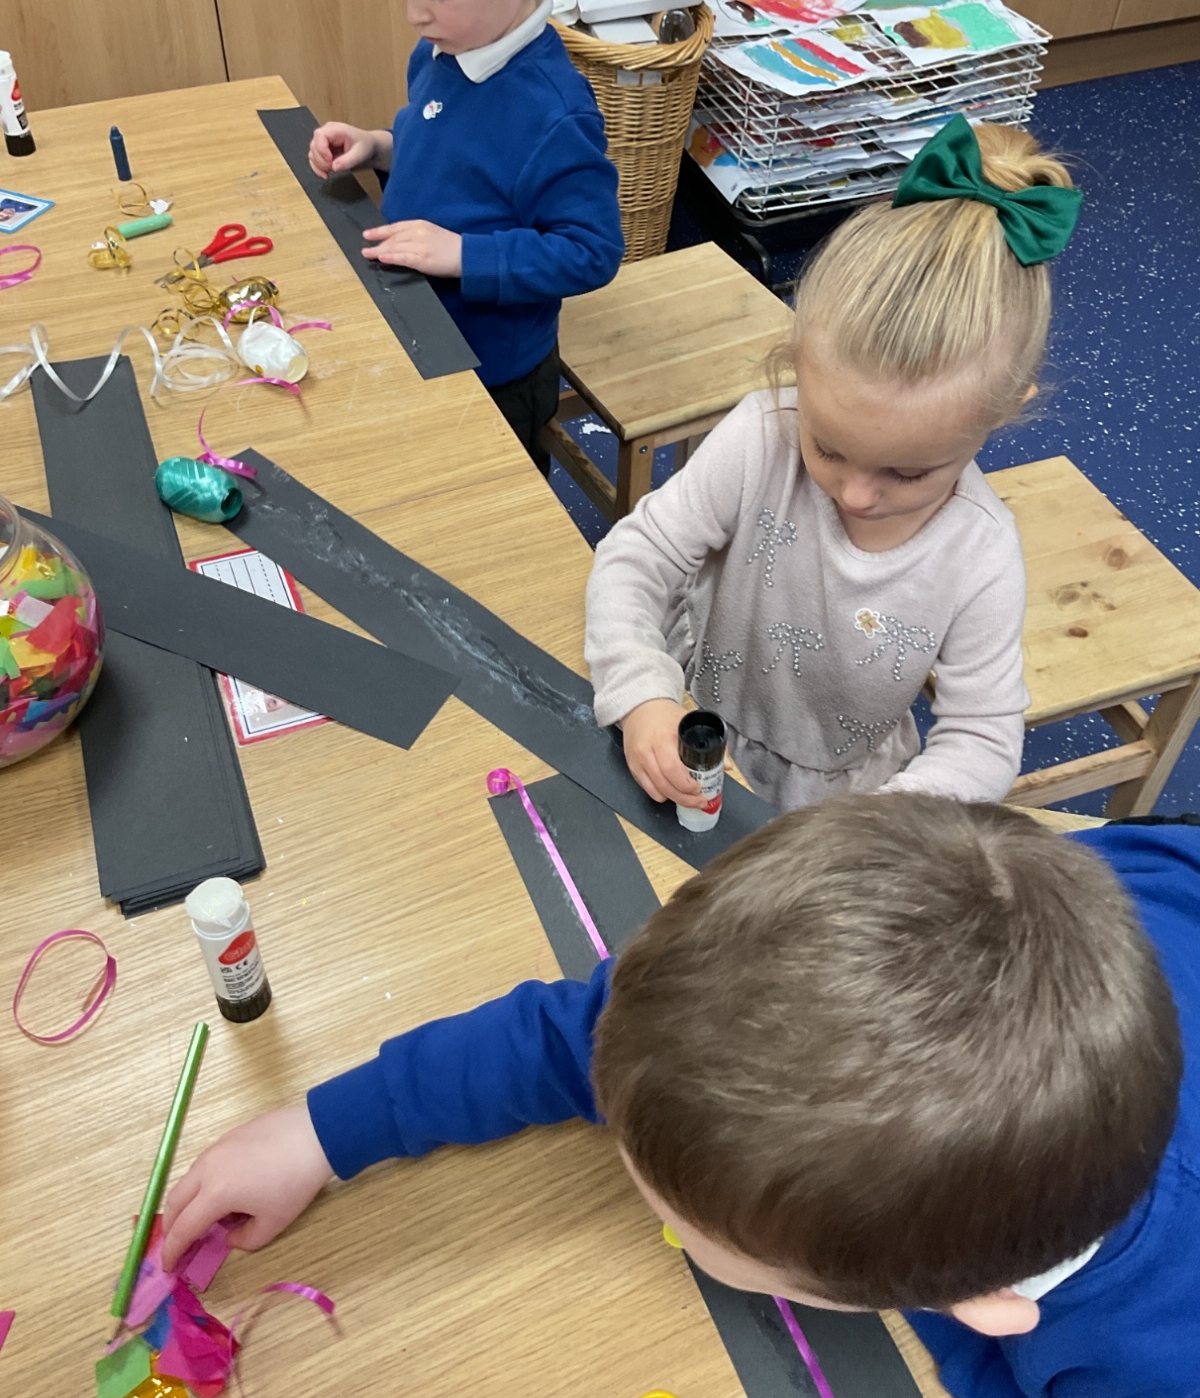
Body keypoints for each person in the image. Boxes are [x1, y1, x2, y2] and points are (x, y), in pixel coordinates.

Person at [158, 796, 1200, 1397]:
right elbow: (573, 1036)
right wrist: (323, 1130)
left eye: (686, 1225)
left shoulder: (1145, 1358)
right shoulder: (992, 909)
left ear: (987, 1303)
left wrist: (964, 1345)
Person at [585, 115, 1084, 811]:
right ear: (797, 364)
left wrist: (875, 826)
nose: (855, 496)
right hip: (696, 714)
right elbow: (638, 557)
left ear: (1001, 413)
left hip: (842, 796)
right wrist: (641, 692)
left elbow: (983, 738)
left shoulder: (981, 554)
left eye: (908, 473)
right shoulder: (762, 436)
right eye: (826, 447)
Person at [307, 0, 624, 472]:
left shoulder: (554, 114)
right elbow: (453, 154)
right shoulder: (446, 50)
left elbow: (591, 251)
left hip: (498, 373)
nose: (414, 13)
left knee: (491, 512)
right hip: (422, 327)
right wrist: (378, 146)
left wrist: (463, 255)